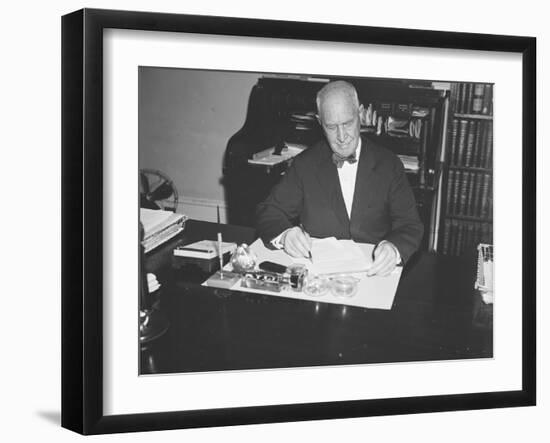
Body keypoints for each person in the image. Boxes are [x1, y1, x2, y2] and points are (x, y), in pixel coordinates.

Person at [255, 80, 423, 276]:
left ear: (360, 114)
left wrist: (393, 248)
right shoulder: (304, 165)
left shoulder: (389, 165)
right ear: (319, 122)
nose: (342, 137)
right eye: (332, 127)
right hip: (320, 280)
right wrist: (286, 235)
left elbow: (410, 225)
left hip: (374, 274)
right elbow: (269, 212)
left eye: (348, 123)